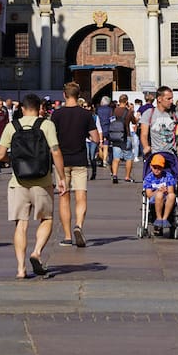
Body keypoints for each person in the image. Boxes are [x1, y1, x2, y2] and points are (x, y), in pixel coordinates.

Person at [0, 92, 67, 278]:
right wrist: (61, 177)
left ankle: (20, 268)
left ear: (22, 108)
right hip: (42, 181)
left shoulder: (11, 126)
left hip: (18, 181)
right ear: (40, 108)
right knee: (47, 219)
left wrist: (14, 161)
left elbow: (0, 155)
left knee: (21, 224)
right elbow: (56, 151)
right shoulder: (46, 125)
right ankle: (36, 252)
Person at [51, 82, 99, 246]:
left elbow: (51, 138)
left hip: (61, 162)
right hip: (80, 160)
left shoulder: (57, 115)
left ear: (64, 95)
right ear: (79, 96)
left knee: (64, 198)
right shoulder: (86, 115)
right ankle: (78, 225)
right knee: (81, 196)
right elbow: (96, 138)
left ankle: (67, 236)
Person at [142, 153, 177, 228]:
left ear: (163, 167)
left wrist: (166, 191)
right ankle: (158, 218)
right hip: (154, 198)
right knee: (159, 194)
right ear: (151, 166)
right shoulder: (148, 178)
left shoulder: (168, 176)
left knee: (172, 195)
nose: (157, 170)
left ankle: (165, 218)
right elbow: (148, 194)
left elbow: (171, 191)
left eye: (159, 168)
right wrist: (158, 191)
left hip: (166, 197)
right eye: (155, 167)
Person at [108, 94, 135, 183]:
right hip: (126, 136)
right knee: (129, 157)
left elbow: (111, 121)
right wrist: (132, 111)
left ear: (119, 101)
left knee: (116, 158)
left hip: (115, 136)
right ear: (126, 101)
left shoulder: (114, 111)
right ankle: (127, 176)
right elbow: (134, 121)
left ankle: (115, 175)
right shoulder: (128, 112)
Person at [95, 95, 113, 169]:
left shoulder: (98, 109)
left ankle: (102, 159)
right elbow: (112, 119)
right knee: (106, 145)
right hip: (107, 128)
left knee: (99, 145)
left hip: (99, 128)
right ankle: (105, 160)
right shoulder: (110, 109)